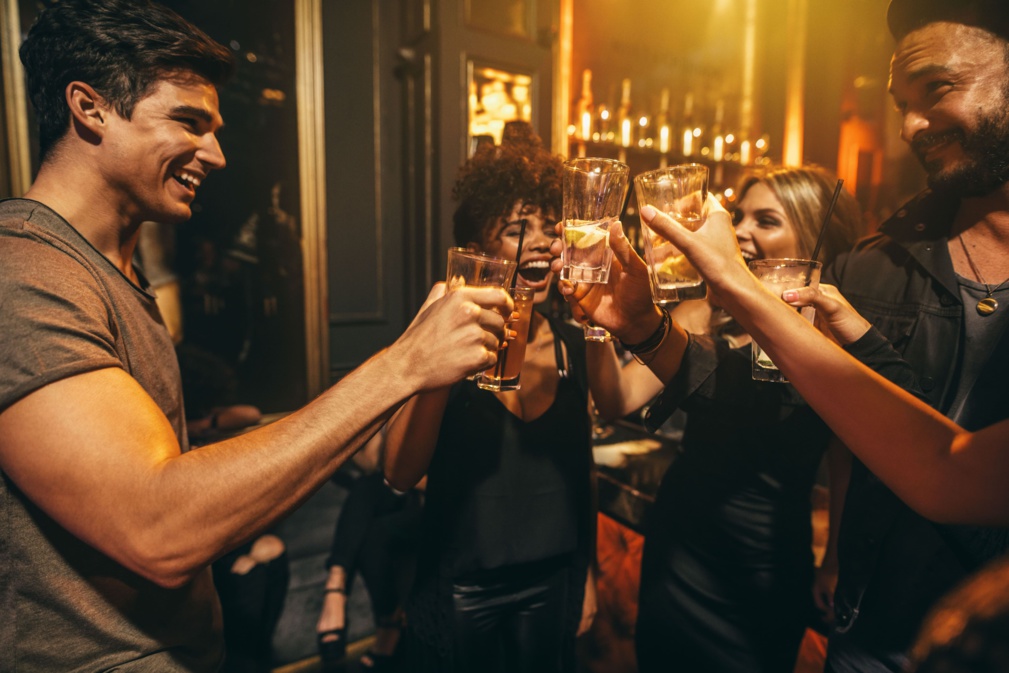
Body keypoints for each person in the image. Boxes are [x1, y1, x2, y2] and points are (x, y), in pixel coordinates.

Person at [0, 1, 511, 671]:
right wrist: (402, 365)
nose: (215, 153)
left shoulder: (108, 275)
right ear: (89, 108)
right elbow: (157, 527)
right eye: (189, 122)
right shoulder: (23, 272)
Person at [553, 1, 1009, 668]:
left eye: (936, 89)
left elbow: (941, 464)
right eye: (900, 102)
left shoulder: (836, 279)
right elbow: (866, 417)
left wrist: (730, 285)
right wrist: (643, 326)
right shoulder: (876, 266)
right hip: (871, 622)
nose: (909, 125)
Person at [383, 122, 631, 673]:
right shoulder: (439, 346)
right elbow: (399, 472)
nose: (541, 240)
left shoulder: (572, 344)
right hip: (461, 588)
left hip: (552, 581)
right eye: (519, 227)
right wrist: (439, 368)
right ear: (476, 251)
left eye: (549, 226)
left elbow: (580, 469)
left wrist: (586, 573)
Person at [616, 167, 861, 673]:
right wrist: (609, 329)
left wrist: (835, 561)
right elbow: (622, 396)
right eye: (740, 214)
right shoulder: (709, 315)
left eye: (765, 220)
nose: (739, 230)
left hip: (767, 561)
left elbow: (846, 458)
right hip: (681, 548)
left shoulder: (835, 335)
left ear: (815, 235)